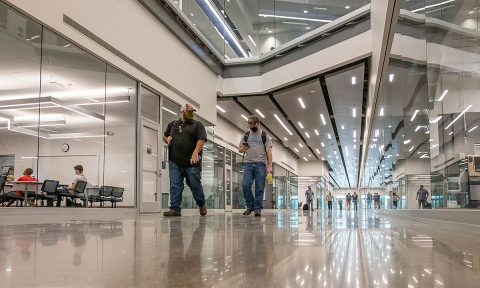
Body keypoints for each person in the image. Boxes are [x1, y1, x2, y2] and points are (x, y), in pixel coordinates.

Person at [163, 104, 208, 217]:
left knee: (194, 184)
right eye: (188, 111)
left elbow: (202, 139)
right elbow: (165, 136)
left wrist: (195, 152)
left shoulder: (198, 125)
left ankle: (201, 204)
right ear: (182, 111)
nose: (191, 113)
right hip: (175, 161)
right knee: (175, 185)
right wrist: (166, 139)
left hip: (192, 163)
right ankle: (175, 209)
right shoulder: (173, 124)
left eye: (192, 111)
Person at [239, 115, 273, 217]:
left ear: (258, 124)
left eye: (253, 125)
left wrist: (270, 166)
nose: (251, 127)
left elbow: (269, 151)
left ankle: (257, 208)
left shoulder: (264, 136)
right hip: (248, 163)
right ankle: (250, 206)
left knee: (259, 188)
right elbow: (239, 149)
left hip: (260, 164)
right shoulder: (246, 135)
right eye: (250, 125)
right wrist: (243, 149)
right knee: (245, 184)